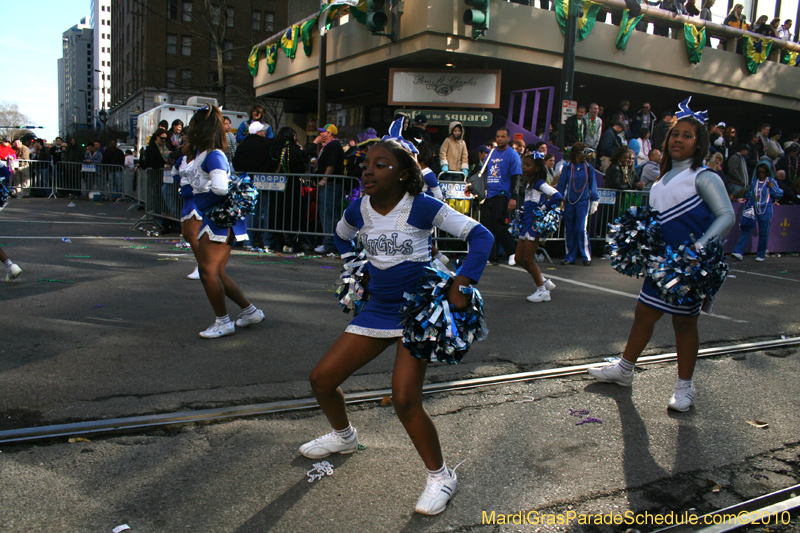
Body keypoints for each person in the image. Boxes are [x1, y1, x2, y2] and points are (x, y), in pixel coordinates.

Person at [298, 135, 494, 516]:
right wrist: (356, 270)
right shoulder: (358, 210)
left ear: (405, 174)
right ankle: (344, 437)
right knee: (322, 379)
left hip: (416, 311)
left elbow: (481, 236)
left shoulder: (422, 206)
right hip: (377, 309)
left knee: (404, 398)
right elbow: (340, 237)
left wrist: (462, 284)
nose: (368, 170)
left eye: (381, 164)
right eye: (367, 164)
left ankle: (441, 476)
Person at [588, 104, 735, 412]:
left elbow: (726, 216)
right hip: (660, 264)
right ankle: (624, 369)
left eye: (688, 136)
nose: (678, 140)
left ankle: (685, 387)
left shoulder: (705, 177)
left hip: (688, 267)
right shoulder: (660, 180)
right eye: (674, 135)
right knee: (644, 314)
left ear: (700, 143)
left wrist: (698, 250)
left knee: (684, 323)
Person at [180, 105, 264, 338]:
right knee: (216, 271)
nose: (189, 130)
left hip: (219, 219)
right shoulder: (204, 154)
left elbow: (220, 187)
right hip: (214, 217)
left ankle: (223, 322)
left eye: (193, 125)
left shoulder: (214, 155)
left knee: (208, 271)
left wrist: (206, 202)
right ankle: (250, 312)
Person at [516, 154, 561, 302]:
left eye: (528, 165)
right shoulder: (530, 183)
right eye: (524, 164)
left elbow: (557, 196)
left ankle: (542, 291)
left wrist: (543, 207)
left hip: (534, 224)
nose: (524, 167)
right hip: (527, 222)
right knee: (519, 258)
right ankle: (543, 281)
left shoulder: (539, 183)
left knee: (528, 258)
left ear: (536, 168)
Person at [475, 128, 522, 265]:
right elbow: (483, 172)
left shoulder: (513, 155)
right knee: (488, 227)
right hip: (488, 194)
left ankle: (513, 252)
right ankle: (491, 257)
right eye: (498, 136)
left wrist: (514, 197)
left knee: (499, 225)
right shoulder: (491, 153)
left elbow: (516, 177)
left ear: (508, 138)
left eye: (503, 136)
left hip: (502, 194)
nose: (500, 139)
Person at [731, 161, 783, 261]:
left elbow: (779, 194)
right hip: (753, 208)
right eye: (759, 172)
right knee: (747, 229)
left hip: (766, 209)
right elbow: (749, 193)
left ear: (767, 173)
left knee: (764, 232)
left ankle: (761, 254)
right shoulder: (754, 182)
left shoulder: (771, 181)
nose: (761, 174)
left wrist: (772, 187)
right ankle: (738, 251)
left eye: (763, 172)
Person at [557, 142, 599, 266]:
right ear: (576, 153)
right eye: (582, 152)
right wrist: (558, 200)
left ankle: (586, 256)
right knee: (569, 229)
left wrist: (594, 200)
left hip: (583, 202)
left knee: (580, 229)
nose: (585, 155)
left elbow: (593, 185)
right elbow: (561, 185)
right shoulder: (568, 167)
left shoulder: (588, 167)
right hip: (569, 202)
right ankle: (570, 256)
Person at [313, 123, 346, 255]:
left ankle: (329, 243)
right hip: (331, 184)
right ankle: (329, 243)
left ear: (330, 133)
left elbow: (331, 164)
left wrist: (324, 179)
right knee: (327, 213)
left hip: (331, 185)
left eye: (324, 132)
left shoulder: (333, 146)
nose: (321, 134)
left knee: (327, 214)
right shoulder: (329, 146)